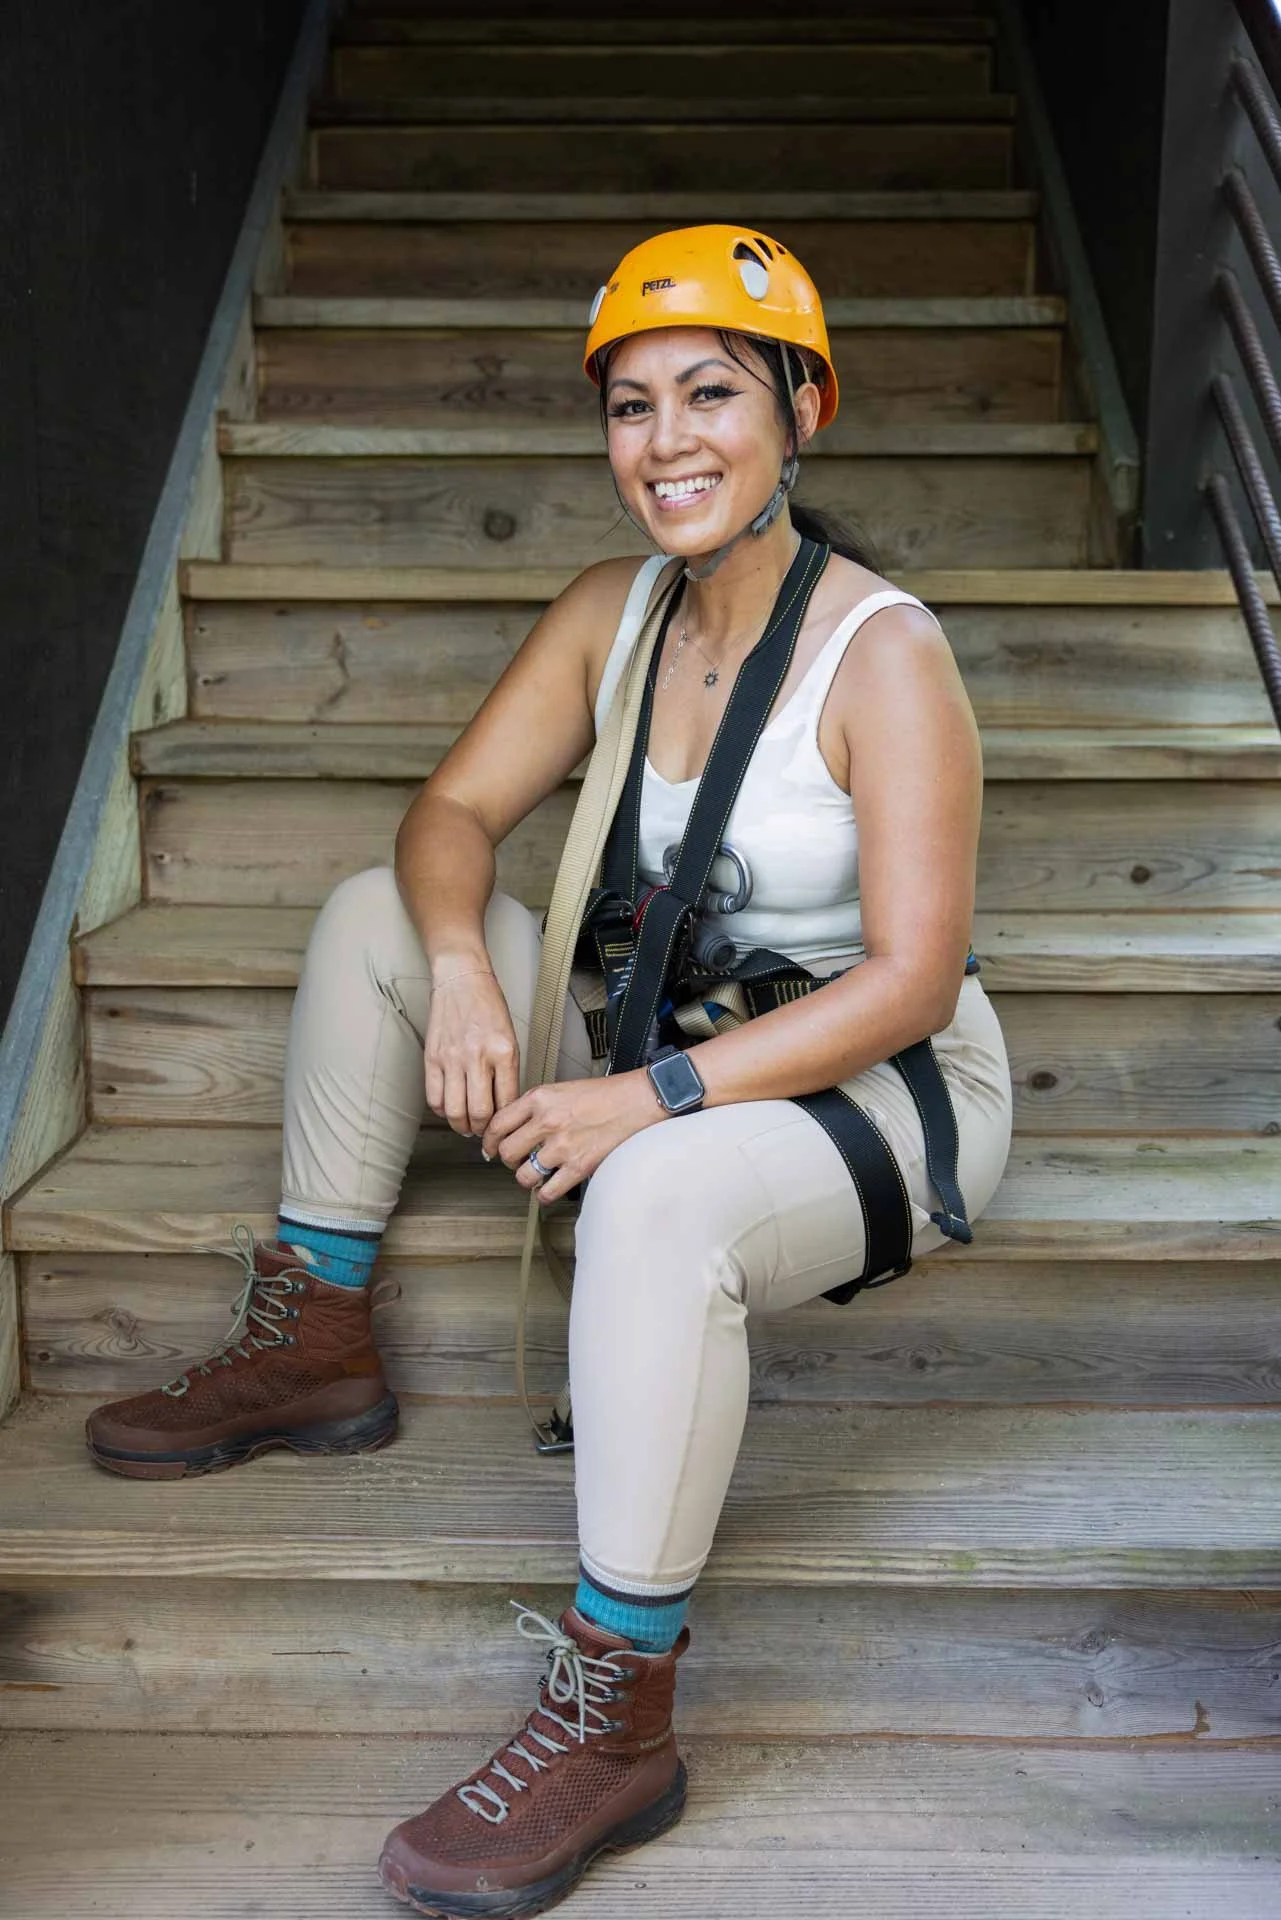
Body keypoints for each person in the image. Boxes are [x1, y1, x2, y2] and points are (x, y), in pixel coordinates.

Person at [84, 226, 1013, 1915]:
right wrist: (460, 967)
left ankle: (617, 1716)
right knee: (381, 910)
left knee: (655, 1187)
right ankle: (319, 1333)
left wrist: (636, 1098)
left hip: (877, 1087)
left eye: (712, 394)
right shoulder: (613, 612)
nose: (667, 442)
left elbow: (913, 978)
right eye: (632, 404)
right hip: (656, 1032)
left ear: (803, 405)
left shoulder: (885, 652)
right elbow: (446, 820)